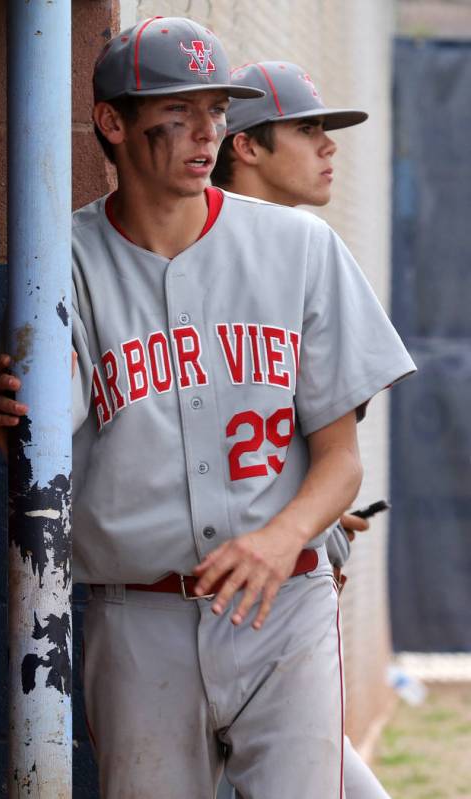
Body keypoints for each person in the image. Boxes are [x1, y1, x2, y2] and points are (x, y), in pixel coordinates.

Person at [0, 18, 415, 799]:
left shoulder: (300, 248)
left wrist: (281, 539)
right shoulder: (60, 257)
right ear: (112, 121)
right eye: (179, 109)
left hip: (285, 602)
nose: (206, 130)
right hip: (137, 616)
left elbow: (342, 460)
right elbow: (38, 446)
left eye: (217, 109)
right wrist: (19, 424)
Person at [211, 60, 395, 799]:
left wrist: (308, 522)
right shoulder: (171, 258)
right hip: (180, 603)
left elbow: (325, 449)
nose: (330, 147)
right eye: (308, 128)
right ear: (245, 146)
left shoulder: (307, 253)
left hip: (275, 599)